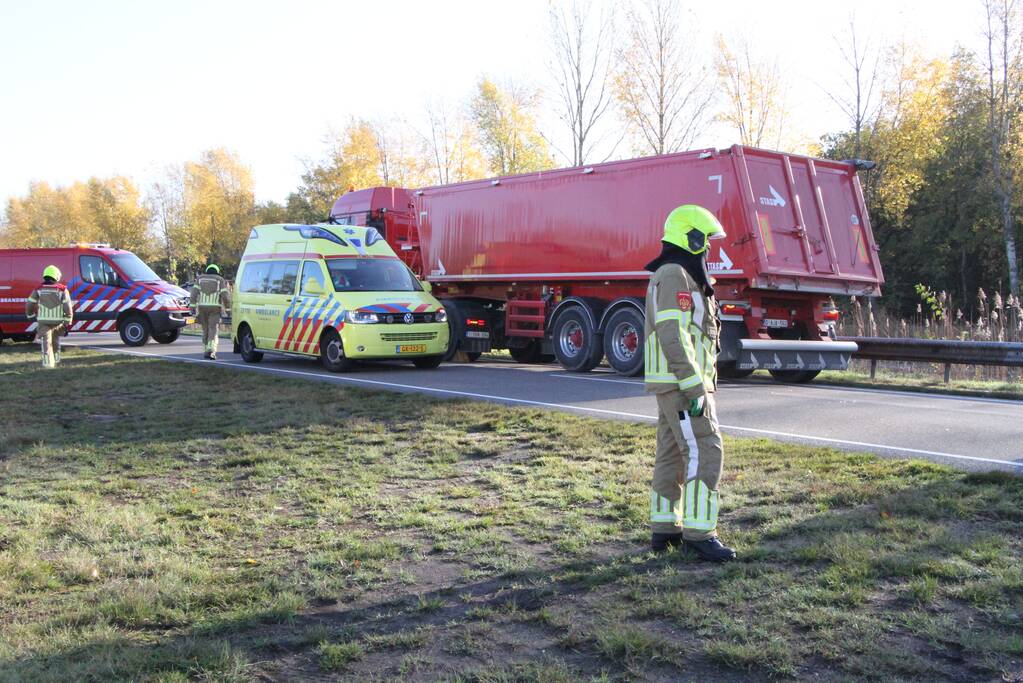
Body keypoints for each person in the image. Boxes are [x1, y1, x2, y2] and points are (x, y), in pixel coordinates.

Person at [643, 205, 735, 562]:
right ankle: (700, 533)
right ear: (691, 237)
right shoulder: (676, 274)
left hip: (674, 383)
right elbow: (673, 333)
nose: (710, 248)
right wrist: (695, 387)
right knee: (705, 450)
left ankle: (665, 530)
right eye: (706, 240)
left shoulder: (676, 274)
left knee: (672, 455)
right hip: (684, 385)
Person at [25, 265, 74, 369]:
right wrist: (67, 321)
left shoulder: (38, 289)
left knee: (46, 343)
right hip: (58, 322)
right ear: (56, 276)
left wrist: (30, 315)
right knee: (55, 341)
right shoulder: (62, 289)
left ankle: (48, 364)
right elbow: (67, 306)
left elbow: (30, 303)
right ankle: (56, 360)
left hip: (44, 321)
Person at [190, 264, 231, 360]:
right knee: (213, 328)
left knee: (205, 329)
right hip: (215, 308)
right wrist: (228, 310)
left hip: (202, 308)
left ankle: (205, 349)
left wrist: (192, 307)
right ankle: (211, 349)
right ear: (217, 271)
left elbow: (194, 294)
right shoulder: (220, 279)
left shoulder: (199, 279)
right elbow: (225, 296)